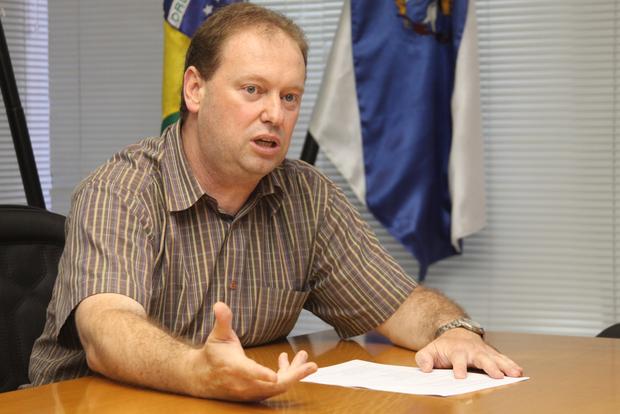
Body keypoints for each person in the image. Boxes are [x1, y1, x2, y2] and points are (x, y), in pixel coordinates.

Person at [29, 3, 522, 402]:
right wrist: (198, 370)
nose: (275, 114)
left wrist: (453, 330)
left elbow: (399, 304)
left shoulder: (306, 196)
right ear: (195, 89)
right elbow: (107, 332)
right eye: (253, 90)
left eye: (289, 97)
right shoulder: (121, 189)